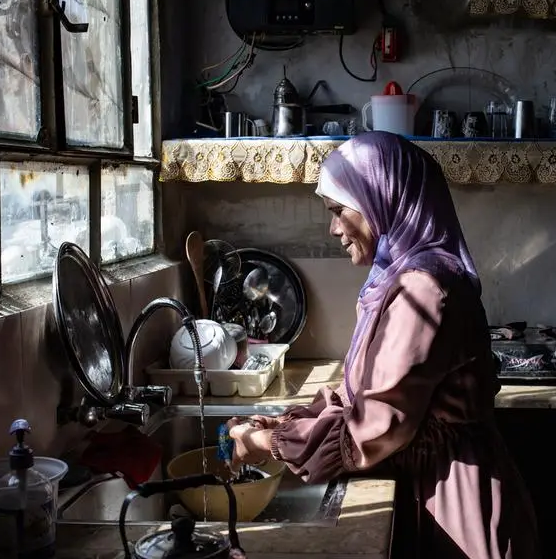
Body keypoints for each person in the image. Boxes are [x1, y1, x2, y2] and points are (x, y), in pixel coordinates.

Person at [227, 131, 540, 559]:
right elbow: (364, 391)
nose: (333, 228)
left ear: (382, 198)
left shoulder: (424, 289)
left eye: (339, 210)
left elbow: (373, 427)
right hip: (426, 489)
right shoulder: (403, 278)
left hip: (450, 506)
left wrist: (271, 443)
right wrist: (287, 422)